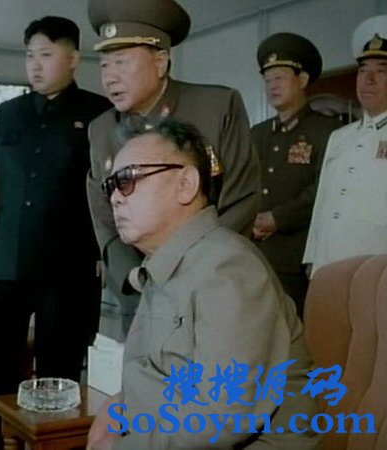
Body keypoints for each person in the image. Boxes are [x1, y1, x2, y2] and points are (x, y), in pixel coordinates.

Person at [87, 119, 318, 450]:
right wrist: (121, 402)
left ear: (186, 184)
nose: (115, 198)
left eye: (128, 179)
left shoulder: (228, 270)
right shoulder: (169, 263)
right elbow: (163, 371)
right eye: (110, 185)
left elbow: (221, 418)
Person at [0, 16, 111, 449]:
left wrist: (106, 250)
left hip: (69, 264)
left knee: (59, 371)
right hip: (9, 259)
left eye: (46, 55)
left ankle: (53, 445)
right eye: (30, 55)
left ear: (73, 58)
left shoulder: (98, 112)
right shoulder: (9, 112)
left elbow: (106, 190)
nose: (35, 64)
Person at [86, 0, 259, 337]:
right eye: (104, 65)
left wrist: (195, 270)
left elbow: (241, 199)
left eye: (121, 62)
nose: (110, 77)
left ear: (161, 62)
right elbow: (104, 215)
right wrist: (133, 277)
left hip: (214, 284)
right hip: (142, 292)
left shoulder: (216, 107)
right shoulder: (101, 130)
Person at [251, 33, 342, 317]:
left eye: (279, 78)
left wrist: (278, 218)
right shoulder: (257, 134)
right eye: (267, 80)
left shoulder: (328, 131)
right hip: (253, 252)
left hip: (298, 257)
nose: (272, 86)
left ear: (302, 80)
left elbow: (325, 189)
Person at [304, 15, 387, 275]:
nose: (368, 79)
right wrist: (311, 258)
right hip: (328, 265)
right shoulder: (339, 137)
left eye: (381, 71)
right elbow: (322, 203)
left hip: (376, 269)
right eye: (362, 71)